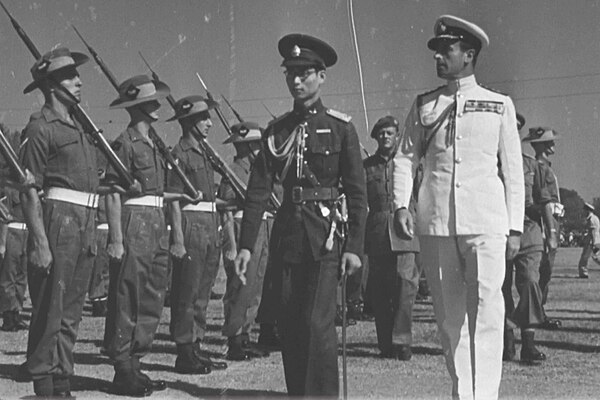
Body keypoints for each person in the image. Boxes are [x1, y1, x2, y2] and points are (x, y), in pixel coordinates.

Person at [392, 15, 524, 400]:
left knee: (487, 313)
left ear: (468, 54)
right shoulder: (424, 105)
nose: (437, 57)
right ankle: (463, 394)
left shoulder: (499, 105)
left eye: (445, 50)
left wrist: (514, 227)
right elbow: (404, 158)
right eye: (436, 50)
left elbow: (513, 172)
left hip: (486, 223)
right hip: (437, 224)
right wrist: (402, 204)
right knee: (450, 320)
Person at [234, 33, 367, 397]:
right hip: (288, 236)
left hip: (324, 236)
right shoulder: (277, 131)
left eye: (305, 73)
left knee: (317, 324)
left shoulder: (341, 128)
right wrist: (246, 245)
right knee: (291, 324)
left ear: (321, 76)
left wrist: (355, 246)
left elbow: (357, 194)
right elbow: (258, 190)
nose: (296, 80)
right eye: (291, 73)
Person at [103, 75, 195, 396]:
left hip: (156, 221)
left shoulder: (155, 144)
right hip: (134, 221)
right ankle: (122, 368)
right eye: (151, 101)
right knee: (128, 293)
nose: (158, 105)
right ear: (138, 107)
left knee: (153, 294)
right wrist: (115, 238)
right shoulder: (124, 143)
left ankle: (136, 362)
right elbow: (113, 193)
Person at [19, 47, 100, 398]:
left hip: (85, 220)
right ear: (52, 85)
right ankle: (43, 384)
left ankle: (62, 380)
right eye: (70, 76)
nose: (79, 81)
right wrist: (38, 241)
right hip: (59, 221)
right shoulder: (40, 128)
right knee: (51, 307)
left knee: (72, 310)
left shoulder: (79, 126)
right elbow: (28, 189)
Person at [165, 95, 227, 374]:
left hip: (209, 225)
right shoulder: (180, 154)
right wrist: (178, 238)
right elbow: (174, 199)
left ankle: (196, 345)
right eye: (204, 118)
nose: (210, 123)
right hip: (191, 225)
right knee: (186, 292)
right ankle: (184, 351)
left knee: (203, 291)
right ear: (189, 121)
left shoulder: (204, 153)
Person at [219, 121, 279, 360]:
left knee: (256, 287)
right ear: (243, 146)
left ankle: (245, 335)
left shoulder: (260, 170)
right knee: (240, 287)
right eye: (253, 145)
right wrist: (232, 245)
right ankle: (234, 339)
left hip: (261, 228)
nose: (258, 149)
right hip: (241, 226)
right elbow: (225, 208)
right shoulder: (232, 170)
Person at [364, 116, 420, 361]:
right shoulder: (366, 167)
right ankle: (385, 342)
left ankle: (402, 340)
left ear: (397, 136)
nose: (386, 137)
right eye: (381, 134)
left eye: (390, 133)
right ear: (376, 138)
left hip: (405, 231)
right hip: (377, 231)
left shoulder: (408, 164)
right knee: (380, 290)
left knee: (405, 286)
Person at [502, 118, 556, 364]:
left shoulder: (532, 166)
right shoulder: (488, 165)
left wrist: (552, 233)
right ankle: (506, 340)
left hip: (528, 232)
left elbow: (544, 203)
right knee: (500, 288)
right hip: (498, 233)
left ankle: (529, 344)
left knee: (531, 283)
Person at [521, 127, 563, 329]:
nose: (553, 145)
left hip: (553, 219)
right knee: (541, 271)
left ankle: (539, 311)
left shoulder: (547, 166)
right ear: (541, 145)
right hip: (543, 222)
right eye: (549, 142)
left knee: (546, 270)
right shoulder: (538, 167)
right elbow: (542, 200)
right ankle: (538, 312)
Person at [0, 187, 28, 331]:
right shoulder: (8, 190)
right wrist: (3, 244)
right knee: (8, 276)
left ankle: (17, 312)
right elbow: (4, 217)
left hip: (26, 232)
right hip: (13, 231)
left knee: (21, 277)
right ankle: (8, 316)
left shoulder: (28, 190)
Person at [578, 202, 600, 278]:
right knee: (596, 257)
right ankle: (583, 272)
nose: (583, 211)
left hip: (591, 242)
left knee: (584, 258)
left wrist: (594, 243)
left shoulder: (592, 219)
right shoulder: (594, 218)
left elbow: (593, 232)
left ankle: (583, 272)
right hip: (594, 241)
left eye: (584, 210)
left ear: (588, 210)